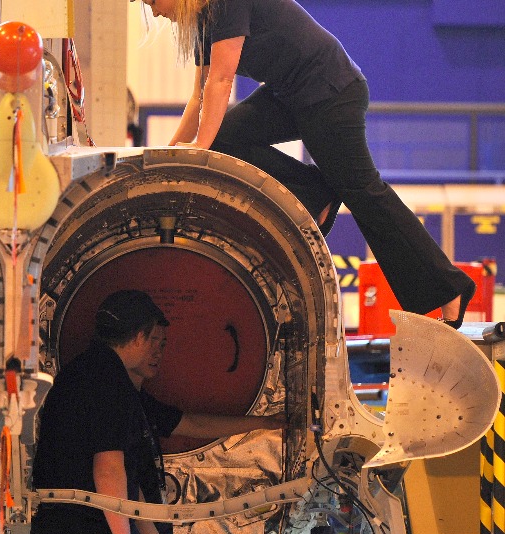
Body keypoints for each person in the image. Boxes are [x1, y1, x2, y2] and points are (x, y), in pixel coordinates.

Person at [136, 0, 475, 328]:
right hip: (290, 95)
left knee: (365, 194)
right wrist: (171, 154)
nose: (155, 12)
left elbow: (222, 82)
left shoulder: (225, 2)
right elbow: (200, 95)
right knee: (222, 139)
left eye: (153, 2)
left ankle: (450, 288)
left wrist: (198, 147)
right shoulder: (203, 22)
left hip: (331, 90)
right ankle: (316, 192)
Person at [30, 290, 286, 534]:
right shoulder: (106, 380)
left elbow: (185, 427)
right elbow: (108, 469)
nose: (159, 352)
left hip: (76, 533)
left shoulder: (103, 379)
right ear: (139, 336)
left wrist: (264, 422)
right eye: (155, 340)